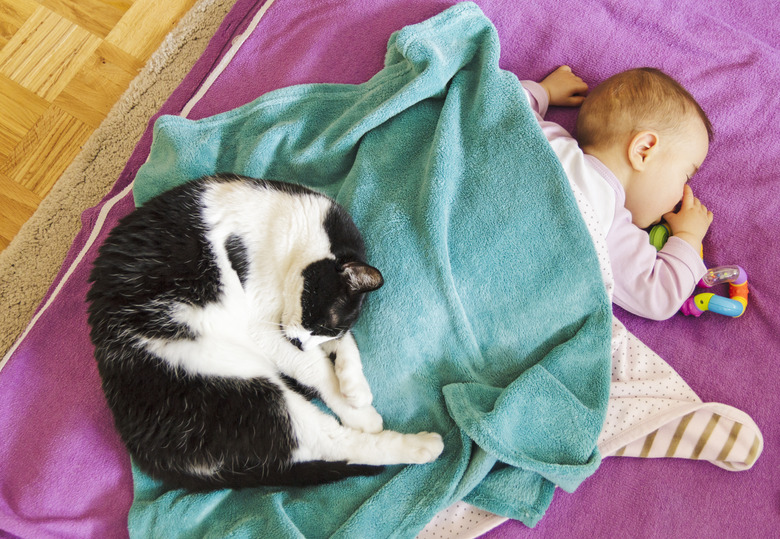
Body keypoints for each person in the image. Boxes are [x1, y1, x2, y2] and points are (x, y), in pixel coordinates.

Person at [521, 66, 714, 320]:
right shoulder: (605, 219)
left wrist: (544, 91)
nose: (683, 195)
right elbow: (658, 295)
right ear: (643, 150)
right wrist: (688, 236)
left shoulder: (549, 137)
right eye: (686, 176)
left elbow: (505, 101)